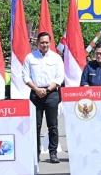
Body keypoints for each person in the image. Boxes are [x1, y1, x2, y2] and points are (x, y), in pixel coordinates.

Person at [22, 32, 64, 163]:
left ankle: (53, 153)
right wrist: (36, 89)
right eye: (42, 42)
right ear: (37, 43)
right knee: (36, 126)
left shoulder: (56, 58)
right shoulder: (30, 57)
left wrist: (47, 90)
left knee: (53, 125)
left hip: (51, 93)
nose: (44, 45)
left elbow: (60, 77)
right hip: (35, 93)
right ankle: (36, 154)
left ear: (50, 43)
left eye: (46, 42)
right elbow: (25, 76)